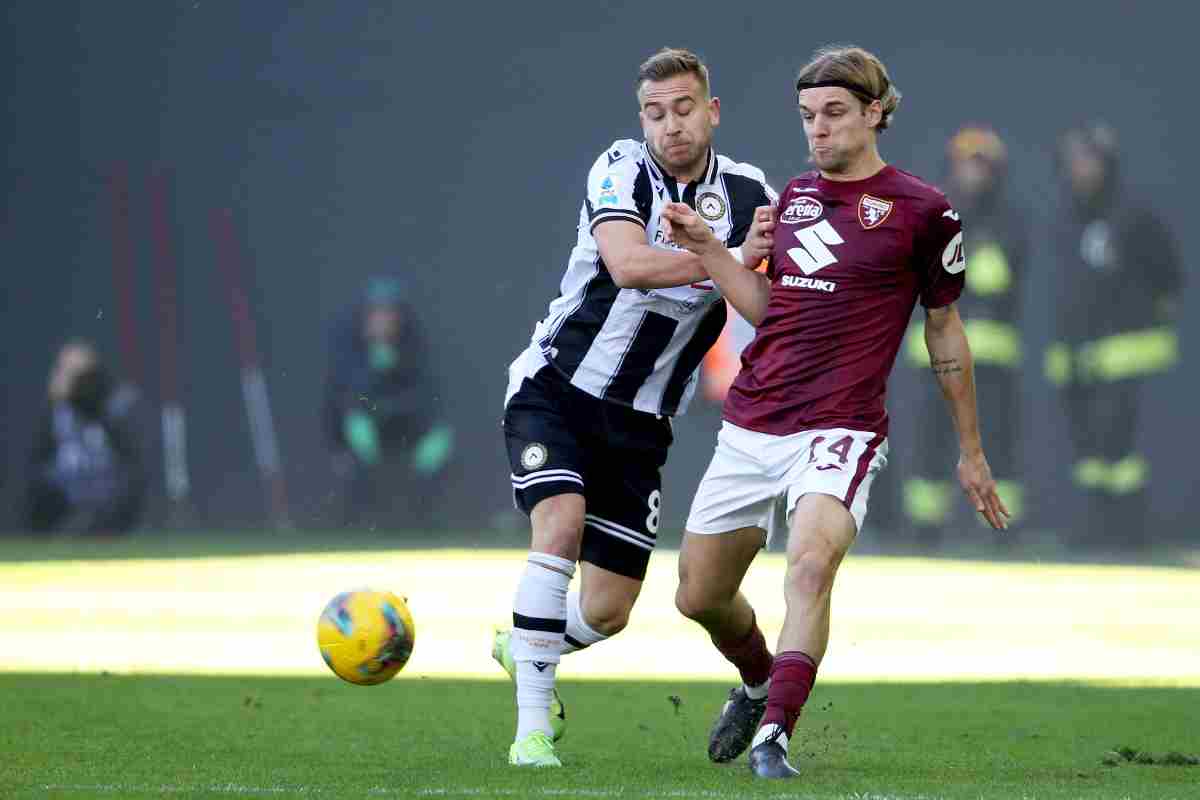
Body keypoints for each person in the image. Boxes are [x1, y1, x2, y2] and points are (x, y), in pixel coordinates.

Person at [661, 45, 1009, 779]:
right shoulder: (792, 201)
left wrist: (970, 449)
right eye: (807, 116)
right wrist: (710, 251)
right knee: (698, 595)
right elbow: (767, 308)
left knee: (810, 567)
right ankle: (758, 684)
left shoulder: (922, 211)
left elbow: (944, 329)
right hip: (755, 422)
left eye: (835, 114)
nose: (818, 130)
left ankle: (775, 737)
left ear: (877, 111)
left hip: (841, 428)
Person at [495, 47, 775, 767]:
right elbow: (626, 264)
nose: (670, 126)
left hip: (643, 422)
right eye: (656, 113)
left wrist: (734, 260)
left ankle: (525, 646)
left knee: (608, 611)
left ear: (711, 111)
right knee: (556, 525)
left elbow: (763, 306)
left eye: (684, 109)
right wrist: (724, 257)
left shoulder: (750, 194)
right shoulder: (622, 166)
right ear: (641, 119)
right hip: (556, 389)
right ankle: (532, 730)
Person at [1046, 123, 1182, 550]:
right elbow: (1066, 289)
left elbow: (1170, 278)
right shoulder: (1065, 217)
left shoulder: (1133, 215)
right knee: (1088, 450)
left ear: (1107, 163)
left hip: (1127, 352)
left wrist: (1144, 322)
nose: (1081, 170)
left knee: (1119, 445)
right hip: (1078, 353)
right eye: (1074, 162)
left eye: (1089, 161)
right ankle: (1094, 528)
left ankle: (1131, 533)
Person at [899, 125, 1029, 547]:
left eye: (982, 166)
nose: (974, 175)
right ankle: (924, 532)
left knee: (997, 446)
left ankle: (1000, 533)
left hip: (990, 360)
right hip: (934, 359)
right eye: (965, 165)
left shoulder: (1009, 219)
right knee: (928, 445)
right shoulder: (931, 216)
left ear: (997, 172)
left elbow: (994, 276)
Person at [322, 276, 453, 528]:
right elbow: (345, 399)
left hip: (408, 426)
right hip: (366, 427)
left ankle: (423, 519)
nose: (382, 321)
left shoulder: (414, 348)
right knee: (358, 430)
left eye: (389, 314)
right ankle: (364, 519)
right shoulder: (351, 349)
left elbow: (426, 396)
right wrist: (372, 379)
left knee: (438, 442)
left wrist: (395, 395)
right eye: (376, 314)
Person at [23, 340, 146, 534]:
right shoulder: (52, 413)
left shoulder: (113, 407)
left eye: (78, 372)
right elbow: (37, 461)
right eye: (66, 371)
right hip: (64, 492)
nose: (71, 379)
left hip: (104, 491)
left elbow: (130, 458)